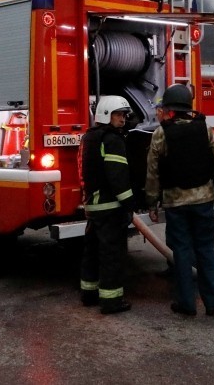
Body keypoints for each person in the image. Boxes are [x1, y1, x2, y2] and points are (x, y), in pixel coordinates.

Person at [145, 84, 214, 317]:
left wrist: (151, 203)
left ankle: (186, 304)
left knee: (182, 254)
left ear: (169, 108)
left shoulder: (161, 133)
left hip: (176, 204)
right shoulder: (204, 130)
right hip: (203, 201)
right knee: (206, 250)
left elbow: (153, 172)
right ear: (189, 106)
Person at [79, 95, 135, 314]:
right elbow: (118, 176)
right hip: (110, 207)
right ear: (105, 115)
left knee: (91, 252)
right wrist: (129, 204)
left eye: (123, 115)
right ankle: (112, 301)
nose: (122, 119)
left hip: (93, 206)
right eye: (118, 115)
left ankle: (89, 294)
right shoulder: (112, 140)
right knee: (111, 255)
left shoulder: (88, 137)